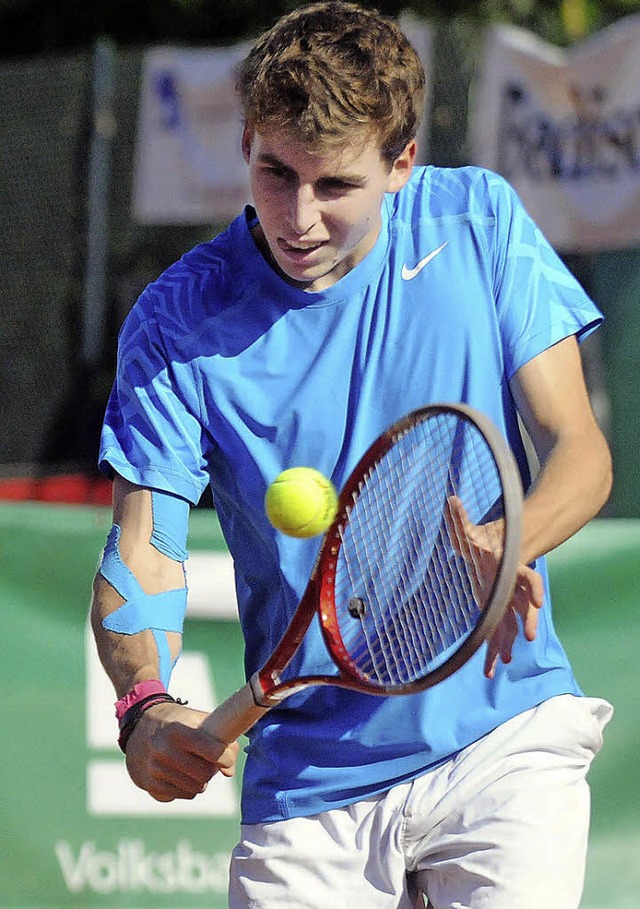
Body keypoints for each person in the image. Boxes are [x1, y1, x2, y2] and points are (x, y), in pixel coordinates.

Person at [90, 3, 614, 907]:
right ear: (248, 139)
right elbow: (143, 549)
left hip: (504, 738)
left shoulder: (479, 222)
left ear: (402, 164)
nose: (297, 216)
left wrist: (508, 539)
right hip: (307, 781)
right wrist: (147, 701)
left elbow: (580, 449)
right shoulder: (177, 322)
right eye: (274, 172)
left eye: (334, 185)